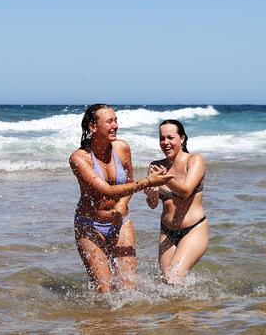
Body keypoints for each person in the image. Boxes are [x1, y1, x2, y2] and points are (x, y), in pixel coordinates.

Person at [69, 104, 172, 292]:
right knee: (104, 288)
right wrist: (148, 181)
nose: (115, 125)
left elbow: (129, 182)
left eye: (116, 120)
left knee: (128, 286)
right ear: (93, 127)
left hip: (121, 221)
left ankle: (125, 322)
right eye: (109, 121)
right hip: (90, 225)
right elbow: (107, 191)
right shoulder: (79, 158)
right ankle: (100, 322)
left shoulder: (122, 148)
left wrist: (122, 205)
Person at [144, 120, 208, 284]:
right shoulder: (155, 166)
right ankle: (189, 309)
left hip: (193, 229)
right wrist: (151, 194)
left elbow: (186, 191)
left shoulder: (194, 161)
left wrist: (165, 178)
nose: (165, 143)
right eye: (162, 138)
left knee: (174, 278)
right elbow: (152, 204)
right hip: (167, 232)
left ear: (182, 139)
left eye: (170, 138)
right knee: (166, 284)